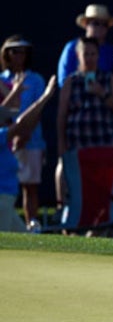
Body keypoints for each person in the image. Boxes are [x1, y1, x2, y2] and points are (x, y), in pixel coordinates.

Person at [56, 37, 113, 224]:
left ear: (98, 56)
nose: (89, 58)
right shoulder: (71, 82)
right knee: (80, 190)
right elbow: (62, 116)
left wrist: (102, 93)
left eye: (93, 54)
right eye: (85, 54)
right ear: (78, 56)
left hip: (105, 146)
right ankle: (72, 221)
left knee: (104, 191)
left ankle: (104, 225)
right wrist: (62, 145)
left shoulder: (108, 79)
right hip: (79, 147)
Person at [0, 36, 47, 231]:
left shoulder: (35, 80)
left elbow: (37, 110)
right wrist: (12, 134)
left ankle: (31, 226)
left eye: (23, 51)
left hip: (31, 141)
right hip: (4, 142)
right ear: (7, 54)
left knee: (30, 186)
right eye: (15, 51)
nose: (19, 55)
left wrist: (24, 134)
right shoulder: (1, 80)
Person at [0, 77, 56, 233]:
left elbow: (7, 112)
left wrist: (15, 92)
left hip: (6, 203)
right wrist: (45, 98)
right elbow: (21, 124)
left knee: (25, 238)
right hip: (2, 202)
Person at [57, 4, 113, 87]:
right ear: (86, 25)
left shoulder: (111, 51)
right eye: (96, 23)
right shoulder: (72, 47)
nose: (100, 27)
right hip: (75, 93)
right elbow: (63, 80)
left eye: (105, 24)